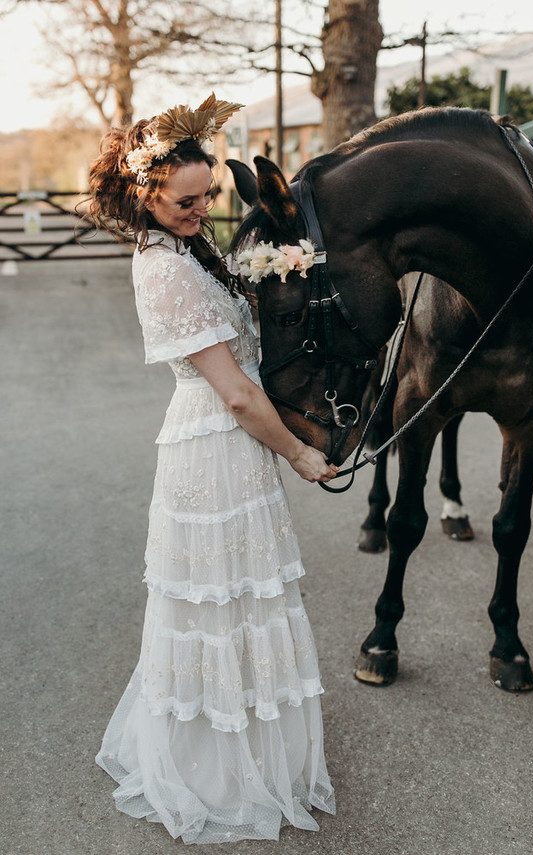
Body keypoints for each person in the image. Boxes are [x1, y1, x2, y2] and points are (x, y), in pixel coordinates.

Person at [88, 94, 337, 845]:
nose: (202, 212)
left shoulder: (191, 250)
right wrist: (298, 452)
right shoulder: (162, 269)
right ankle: (216, 766)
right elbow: (235, 393)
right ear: (147, 195)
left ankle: (252, 745)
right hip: (214, 448)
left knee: (242, 599)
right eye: (186, 202)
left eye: (208, 198)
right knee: (218, 602)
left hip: (235, 448)